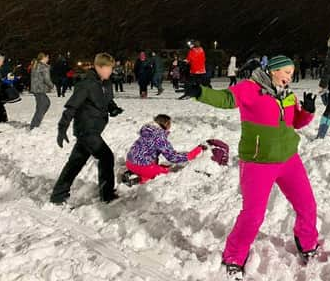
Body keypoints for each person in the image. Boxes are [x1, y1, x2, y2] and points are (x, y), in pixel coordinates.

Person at [183, 55, 319, 278]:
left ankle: (307, 243)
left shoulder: (287, 95)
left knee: (307, 205)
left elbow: (296, 123)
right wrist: (201, 93)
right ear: (273, 71)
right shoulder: (250, 88)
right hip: (258, 163)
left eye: (291, 74)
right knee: (253, 215)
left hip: (288, 160)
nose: (289, 77)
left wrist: (308, 112)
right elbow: (226, 99)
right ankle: (234, 256)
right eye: (286, 72)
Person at [50, 53, 124, 205]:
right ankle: (107, 194)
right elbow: (71, 107)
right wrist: (62, 128)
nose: (111, 71)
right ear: (99, 67)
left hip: (95, 129)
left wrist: (113, 108)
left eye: (111, 68)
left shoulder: (106, 83)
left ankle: (58, 195)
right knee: (106, 156)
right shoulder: (86, 84)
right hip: (86, 129)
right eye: (108, 68)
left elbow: (106, 100)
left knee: (75, 162)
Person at [125, 114, 205, 183]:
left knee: (159, 165)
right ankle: (138, 179)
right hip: (141, 167)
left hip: (129, 163)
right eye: (170, 124)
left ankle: (132, 173)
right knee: (165, 171)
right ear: (166, 124)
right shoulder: (159, 137)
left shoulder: (147, 131)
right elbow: (172, 157)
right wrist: (193, 153)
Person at [30, 52, 54, 130]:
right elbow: (46, 79)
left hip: (35, 88)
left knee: (43, 104)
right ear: (44, 58)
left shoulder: (36, 64)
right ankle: (34, 125)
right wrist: (51, 85)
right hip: (39, 89)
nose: (48, 59)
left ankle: (35, 123)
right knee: (44, 105)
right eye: (47, 57)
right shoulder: (44, 67)